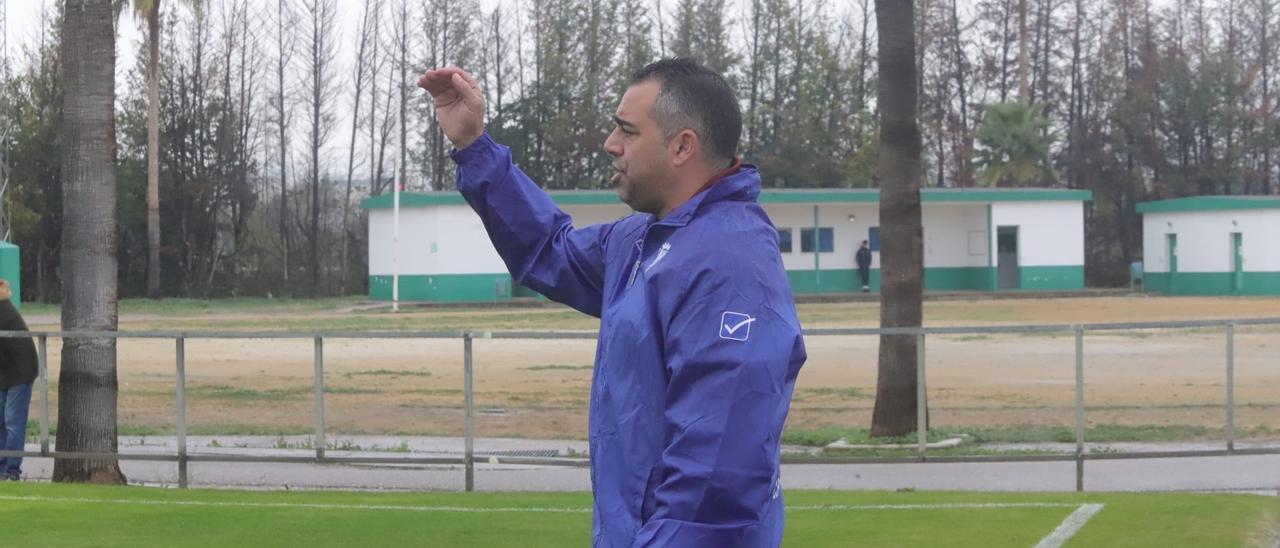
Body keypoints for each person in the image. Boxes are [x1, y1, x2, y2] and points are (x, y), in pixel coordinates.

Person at [419, 58, 807, 547]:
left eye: (627, 130)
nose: (610, 144)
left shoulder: (731, 265)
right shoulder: (643, 241)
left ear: (682, 146)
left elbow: (714, 484)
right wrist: (475, 146)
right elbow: (549, 249)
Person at [0, 278, 38, 481]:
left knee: (12, 422)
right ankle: (2, 467)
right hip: (4, 372)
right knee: (2, 421)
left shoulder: (2, 309)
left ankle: (11, 470)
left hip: (20, 372)